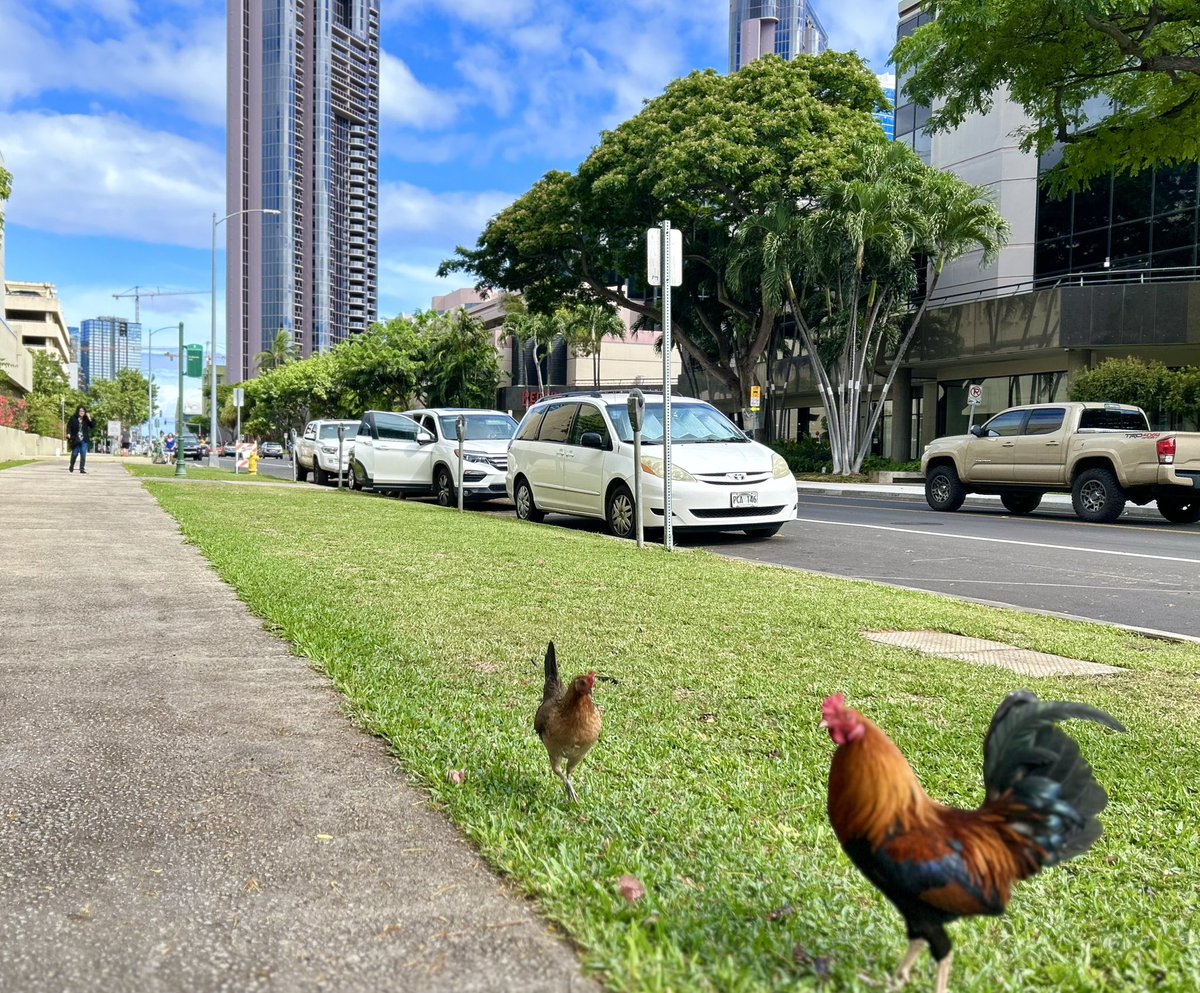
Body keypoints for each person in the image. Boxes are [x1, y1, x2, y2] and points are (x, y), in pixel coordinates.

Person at [67, 405, 94, 473]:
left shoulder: (86, 419)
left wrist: (89, 417)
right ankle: (71, 465)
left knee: (83, 453)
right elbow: (69, 426)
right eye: (80, 411)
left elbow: (92, 426)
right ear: (78, 411)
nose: (82, 412)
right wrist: (68, 433)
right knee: (74, 454)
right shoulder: (73, 418)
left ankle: (82, 469)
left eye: (83, 411)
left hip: (84, 440)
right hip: (75, 439)